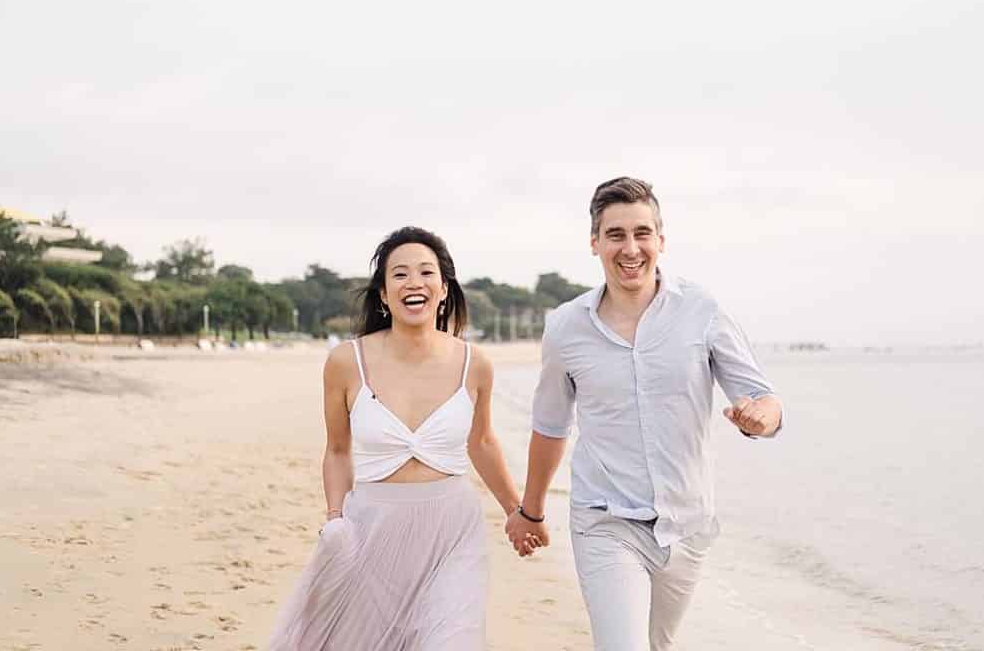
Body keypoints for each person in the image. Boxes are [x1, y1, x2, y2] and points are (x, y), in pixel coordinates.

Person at [505, 176, 783, 651]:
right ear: (595, 243)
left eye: (641, 234)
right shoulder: (566, 327)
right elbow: (551, 426)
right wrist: (530, 512)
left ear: (660, 241)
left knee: (657, 646)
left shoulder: (702, 310)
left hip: (688, 525)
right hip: (605, 519)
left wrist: (760, 418)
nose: (630, 248)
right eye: (615, 235)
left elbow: (765, 399)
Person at [269, 226, 535, 651]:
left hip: (452, 532)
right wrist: (335, 517)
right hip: (372, 529)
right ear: (383, 295)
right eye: (400, 274)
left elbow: (482, 442)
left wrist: (516, 512)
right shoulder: (345, 362)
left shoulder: (475, 363)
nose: (415, 282)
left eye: (426, 272)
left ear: (443, 289)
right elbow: (337, 450)